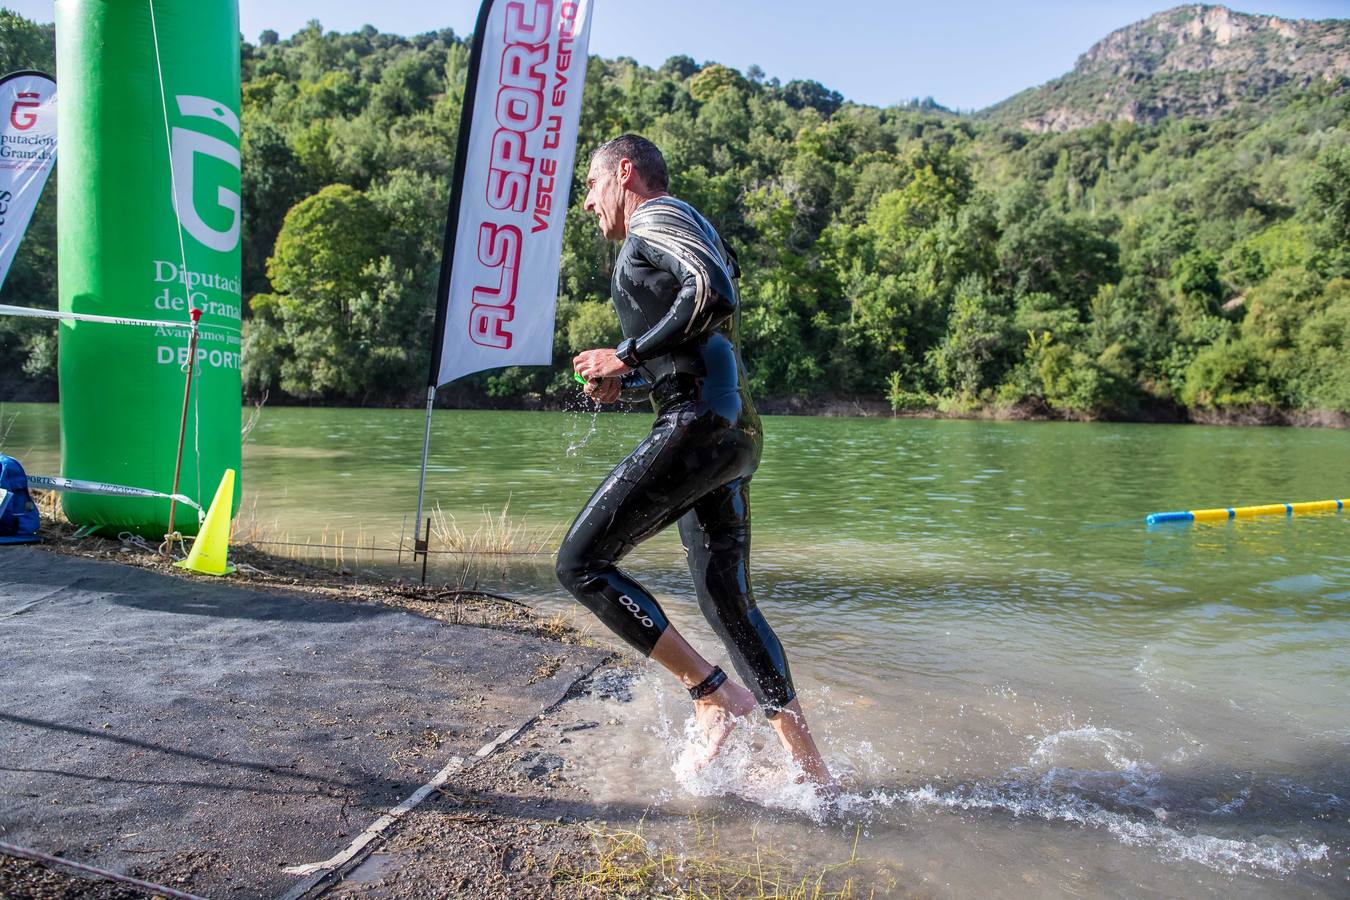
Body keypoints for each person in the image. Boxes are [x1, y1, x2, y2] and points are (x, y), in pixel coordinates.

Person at [558, 134, 833, 791]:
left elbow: (711, 292)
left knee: (581, 565)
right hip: (730, 431)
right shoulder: (683, 226)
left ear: (624, 174)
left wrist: (624, 355)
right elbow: (696, 322)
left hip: (700, 426)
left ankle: (712, 694)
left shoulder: (657, 216)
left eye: (591, 188)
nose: (588, 205)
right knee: (730, 606)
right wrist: (635, 368)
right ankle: (819, 781)